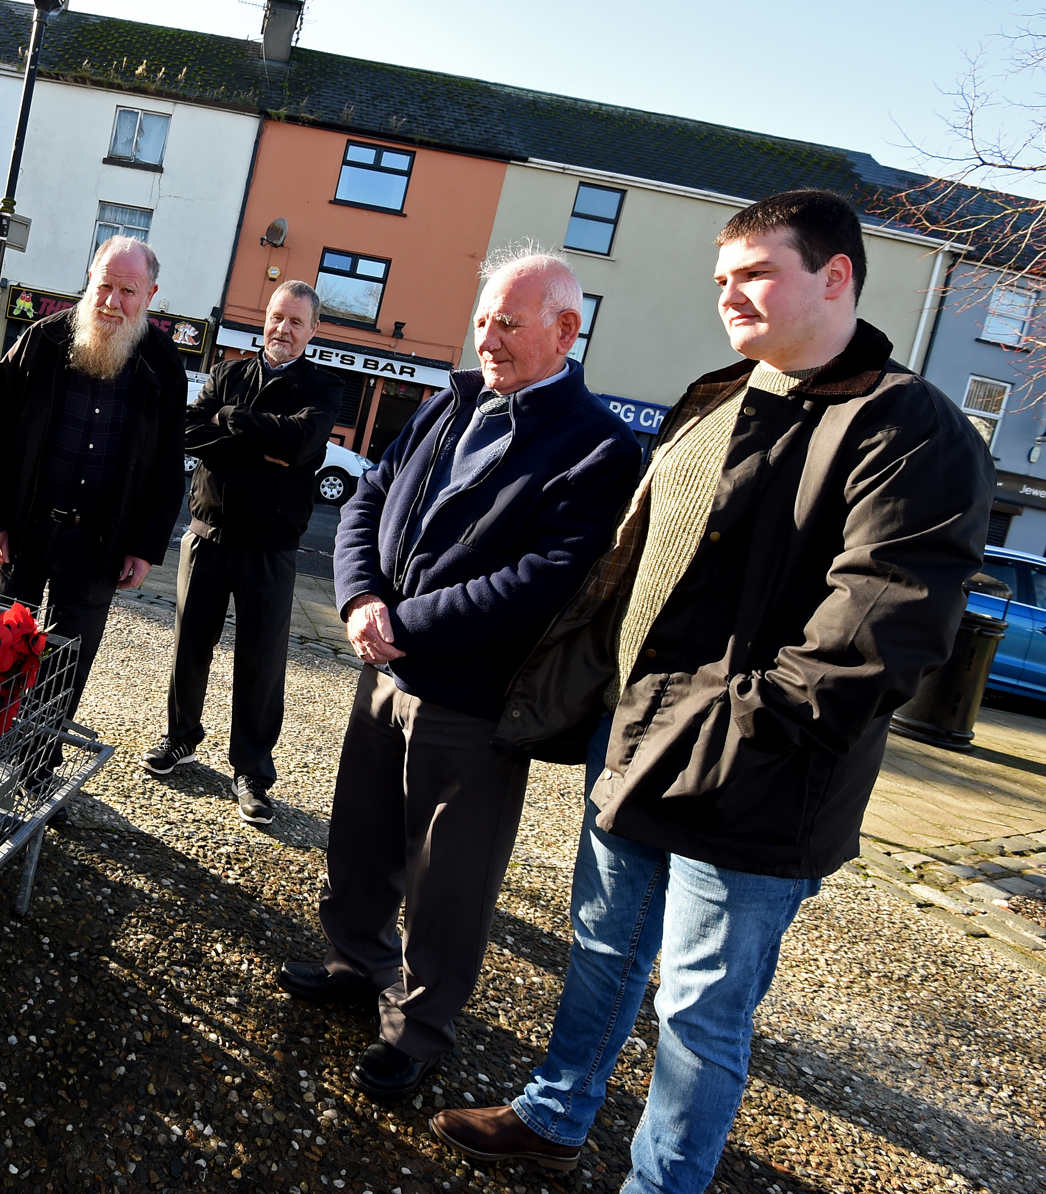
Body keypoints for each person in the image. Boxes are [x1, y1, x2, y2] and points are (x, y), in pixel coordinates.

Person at [432, 191, 994, 1191]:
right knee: (601, 949)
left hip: (756, 776)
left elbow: (879, 630)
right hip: (636, 736)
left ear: (834, 277)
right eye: (719, 279)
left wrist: (734, 725)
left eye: (756, 273)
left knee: (697, 1012)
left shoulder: (910, 429)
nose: (730, 295)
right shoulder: (715, 396)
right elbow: (635, 567)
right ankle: (556, 1114)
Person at [278, 250, 642, 1103]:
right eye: (481, 320)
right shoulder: (449, 404)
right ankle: (354, 963)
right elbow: (365, 499)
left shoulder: (595, 446)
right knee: (359, 834)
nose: (488, 338)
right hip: (383, 667)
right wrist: (360, 596)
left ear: (564, 329)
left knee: (448, 877)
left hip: (470, 699)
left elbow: (543, 578)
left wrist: (401, 624)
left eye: (508, 323)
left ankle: (419, 1029)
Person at [141, 280, 342, 827]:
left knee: (261, 662)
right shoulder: (229, 374)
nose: (283, 329)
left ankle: (252, 770)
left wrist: (229, 422)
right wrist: (264, 444)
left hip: (271, 549)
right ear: (266, 319)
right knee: (189, 645)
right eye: (277, 317)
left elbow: (302, 444)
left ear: (312, 329)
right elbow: (187, 432)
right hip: (208, 534)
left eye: (296, 322)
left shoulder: (322, 388)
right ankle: (180, 737)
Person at [0, 236, 186, 740]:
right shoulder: (41, 341)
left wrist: (145, 548)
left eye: (127, 291)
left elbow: (166, 469)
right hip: (22, 529)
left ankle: (37, 765)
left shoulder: (164, 364)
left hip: (98, 543)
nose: (112, 302)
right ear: (90, 280)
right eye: (104, 285)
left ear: (150, 294)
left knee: (67, 665)